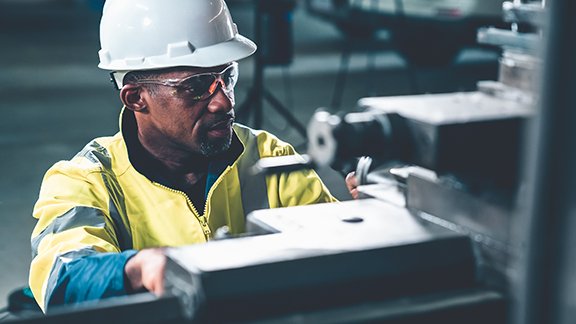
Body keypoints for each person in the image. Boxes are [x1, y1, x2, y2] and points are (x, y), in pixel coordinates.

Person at [29, 0, 337, 312]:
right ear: (136, 97)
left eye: (227, 77)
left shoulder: (270, 158)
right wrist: (139, 268)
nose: (224, 103)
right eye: (197, 86)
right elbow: (62, 277)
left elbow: (341, 253)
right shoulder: (84, 180)